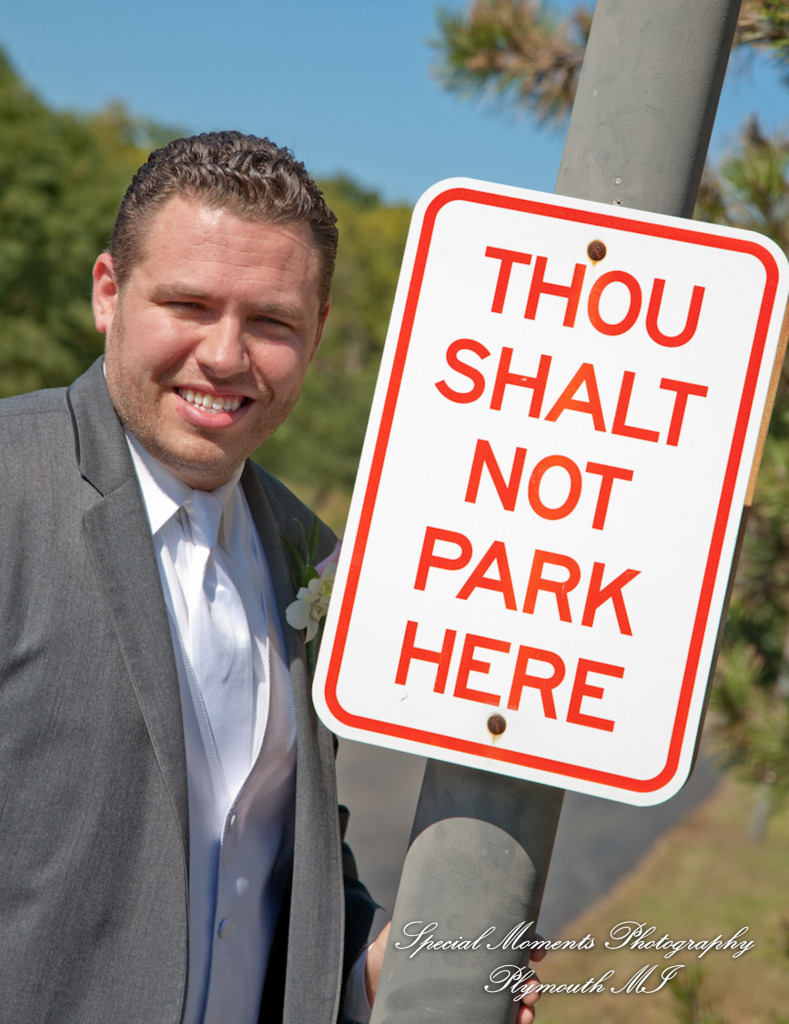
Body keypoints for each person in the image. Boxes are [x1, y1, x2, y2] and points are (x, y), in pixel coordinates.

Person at [0, 131, 541, 1024]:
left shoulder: (313, 552)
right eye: (188, 303)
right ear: (108, 293)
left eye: (270, 322)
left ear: (316, 333)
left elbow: (278, 857)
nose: (224, 355)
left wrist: (372, 966)